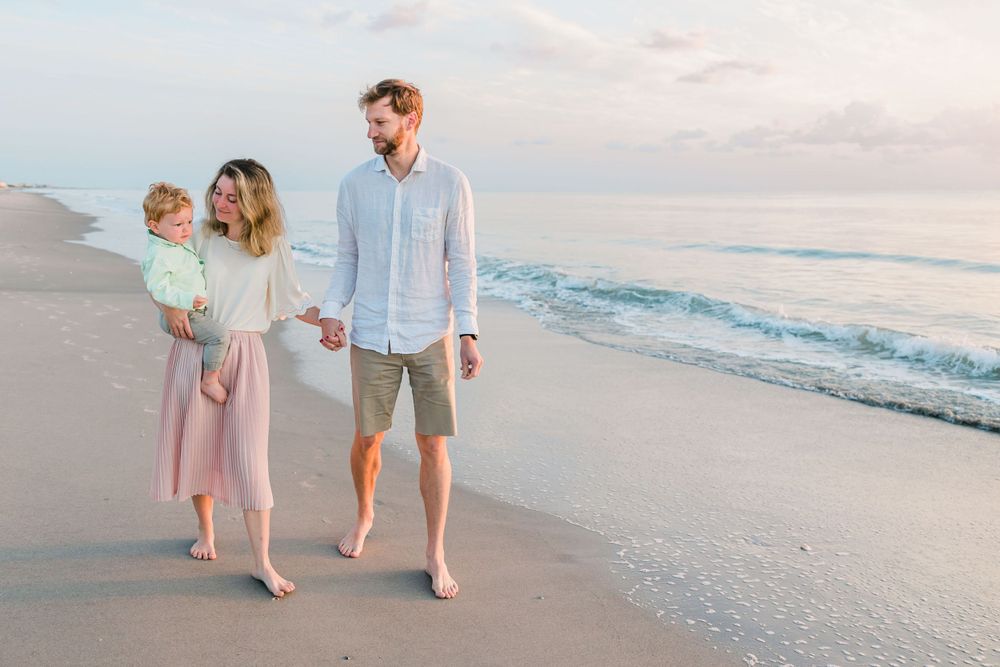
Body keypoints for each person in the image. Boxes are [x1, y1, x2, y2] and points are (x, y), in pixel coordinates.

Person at [319, 79, 483, 600]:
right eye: (368, 122)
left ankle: (434, 552)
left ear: (410, 120)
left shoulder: (451, 183)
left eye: (379, 123)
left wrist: (468, 333)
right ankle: (365, 515)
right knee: (368, 437)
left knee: (432, 443)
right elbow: (347, 257)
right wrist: (329, 313)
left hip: (430, 333)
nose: (370, 132)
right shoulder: (354, 185)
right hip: (370, 332)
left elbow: (462, 263)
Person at [150, 158, 322, 597]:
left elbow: (291, 298)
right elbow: (164, 271)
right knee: (199, 445)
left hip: (245, 355)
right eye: (218, 193)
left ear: (253, 201)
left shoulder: (272, 244)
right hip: (197, 347)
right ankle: (206, 530)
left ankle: (262, 562)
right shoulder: (200, 234)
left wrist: (327, 323)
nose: (221, 203)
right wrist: (170, 310)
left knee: (250, 459)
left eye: (232, 197)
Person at [140, 182, 231, 404]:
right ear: (155, 225)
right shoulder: (160, 253)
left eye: (189, 221)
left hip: (191, 309)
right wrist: (186, 300)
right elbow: (158, 287)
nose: (187, 229)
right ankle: (210, 379)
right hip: (185, 311)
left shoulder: (174, 244)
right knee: (220, 337)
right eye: (178, 224)